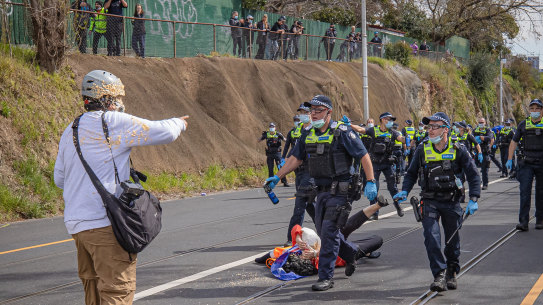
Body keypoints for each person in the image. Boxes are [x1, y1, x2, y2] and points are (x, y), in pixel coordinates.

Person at [54, 70, 188, 304]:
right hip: (105, 224)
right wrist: (179, 123)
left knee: (94, 292)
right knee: (117, 292)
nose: (120, 103)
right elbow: (164, 131)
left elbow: (59, 179)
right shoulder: (111, 122)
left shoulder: (70, 130)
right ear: (106, 98)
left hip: (77, 227)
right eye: (117, 98)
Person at [264, 95, 378, 291]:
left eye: (318, 110)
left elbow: (363, 155)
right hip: (321, 191)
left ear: (329, 112)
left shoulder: (342, 133)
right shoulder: (307, 134)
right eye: (312, 111)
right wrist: (277, 176)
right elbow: (294, 159)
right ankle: (351, 254)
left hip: (342, 191)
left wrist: (371, 181)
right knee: (325, 231)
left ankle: (326, 277)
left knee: (328, 231)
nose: (314, 114)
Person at [394, 112, 481, 292]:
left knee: (452, 241)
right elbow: (411, 173)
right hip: (430, 200)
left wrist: (474, 198)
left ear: (446, 130)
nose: (430, 130)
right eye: (429, 127)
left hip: (452, 201)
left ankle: (452, 271)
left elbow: (473, 175)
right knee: (431, 238)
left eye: (435, 127)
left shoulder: (459, 149)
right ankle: (439, 274)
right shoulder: (422, 148)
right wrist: (404, 190)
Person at [351, 112, 407, 220]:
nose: (391, 122)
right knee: (373, 190)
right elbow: (360, 130)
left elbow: (401, 138)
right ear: (382, 119)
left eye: (392, 120)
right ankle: (374, 213)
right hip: (375, 164)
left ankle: (398, 206)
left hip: (387, 164)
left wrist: (408, 139)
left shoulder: (393, 132)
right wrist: (349, 125)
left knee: (393, 188)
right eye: (388, 119)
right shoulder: (373, 130)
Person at [281, 104, 316, 247]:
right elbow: (294, 150)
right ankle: (324, 230)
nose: (302, 115)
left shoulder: (316, 130)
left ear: (311, 114)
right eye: (300, 112)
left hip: (311, 171)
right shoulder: (297, 131)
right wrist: (284, 164)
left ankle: (292, 238)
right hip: (299, 171)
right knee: (310, 205)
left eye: (305, 112)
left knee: (300, 204)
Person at [507, 99, 543, 231]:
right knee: (525, 192)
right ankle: (523, 222)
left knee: (541, 192)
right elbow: (514, 142)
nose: (535, 111)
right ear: (529, 110)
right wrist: (509, 159)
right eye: (532, 108)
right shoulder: (523, 124)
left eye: (537, 108)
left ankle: (540, 219)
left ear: (542, 110)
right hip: (527, 162)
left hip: (541, 162)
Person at [259, 123, 288, 187]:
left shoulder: (278, 134)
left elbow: (285, 140)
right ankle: (270, 183)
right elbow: (259, 140)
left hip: (277, 153)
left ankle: (285, 182)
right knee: (270, 168)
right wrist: (262, 135)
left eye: (273, 127)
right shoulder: (267, 134)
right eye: (270, 127)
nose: (271, 128)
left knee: (280, 168)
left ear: (275, 128)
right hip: (270, 154)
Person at [472, 117, 494, 190]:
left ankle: (485, 184)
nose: (481, 124)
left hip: (485, 152)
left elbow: (490, 138)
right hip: (477, 152)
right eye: (480, 122)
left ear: (485, 123)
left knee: (485, 169)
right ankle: (477, 182)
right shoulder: (475, 130)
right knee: (474, 169)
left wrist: (481, 137)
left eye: (482, 122)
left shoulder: (487, 130)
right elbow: (471, 137)